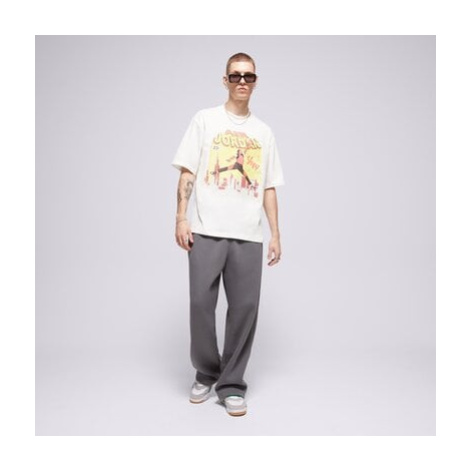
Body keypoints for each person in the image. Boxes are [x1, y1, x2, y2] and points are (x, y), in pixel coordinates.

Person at [171, 52, 285, 417]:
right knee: (200, 305)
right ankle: (207, 371)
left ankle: (232, 384)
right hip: (205, 229)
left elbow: (269, 186)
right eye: (235, 75)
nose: (241, 81)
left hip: (248, 234)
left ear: (255, 81)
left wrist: (276, 234)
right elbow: (188, 172)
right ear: (225, 80)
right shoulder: (205, 120)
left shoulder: (264, 132)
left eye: (248, 76)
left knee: (245, 309)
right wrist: (181, 218)